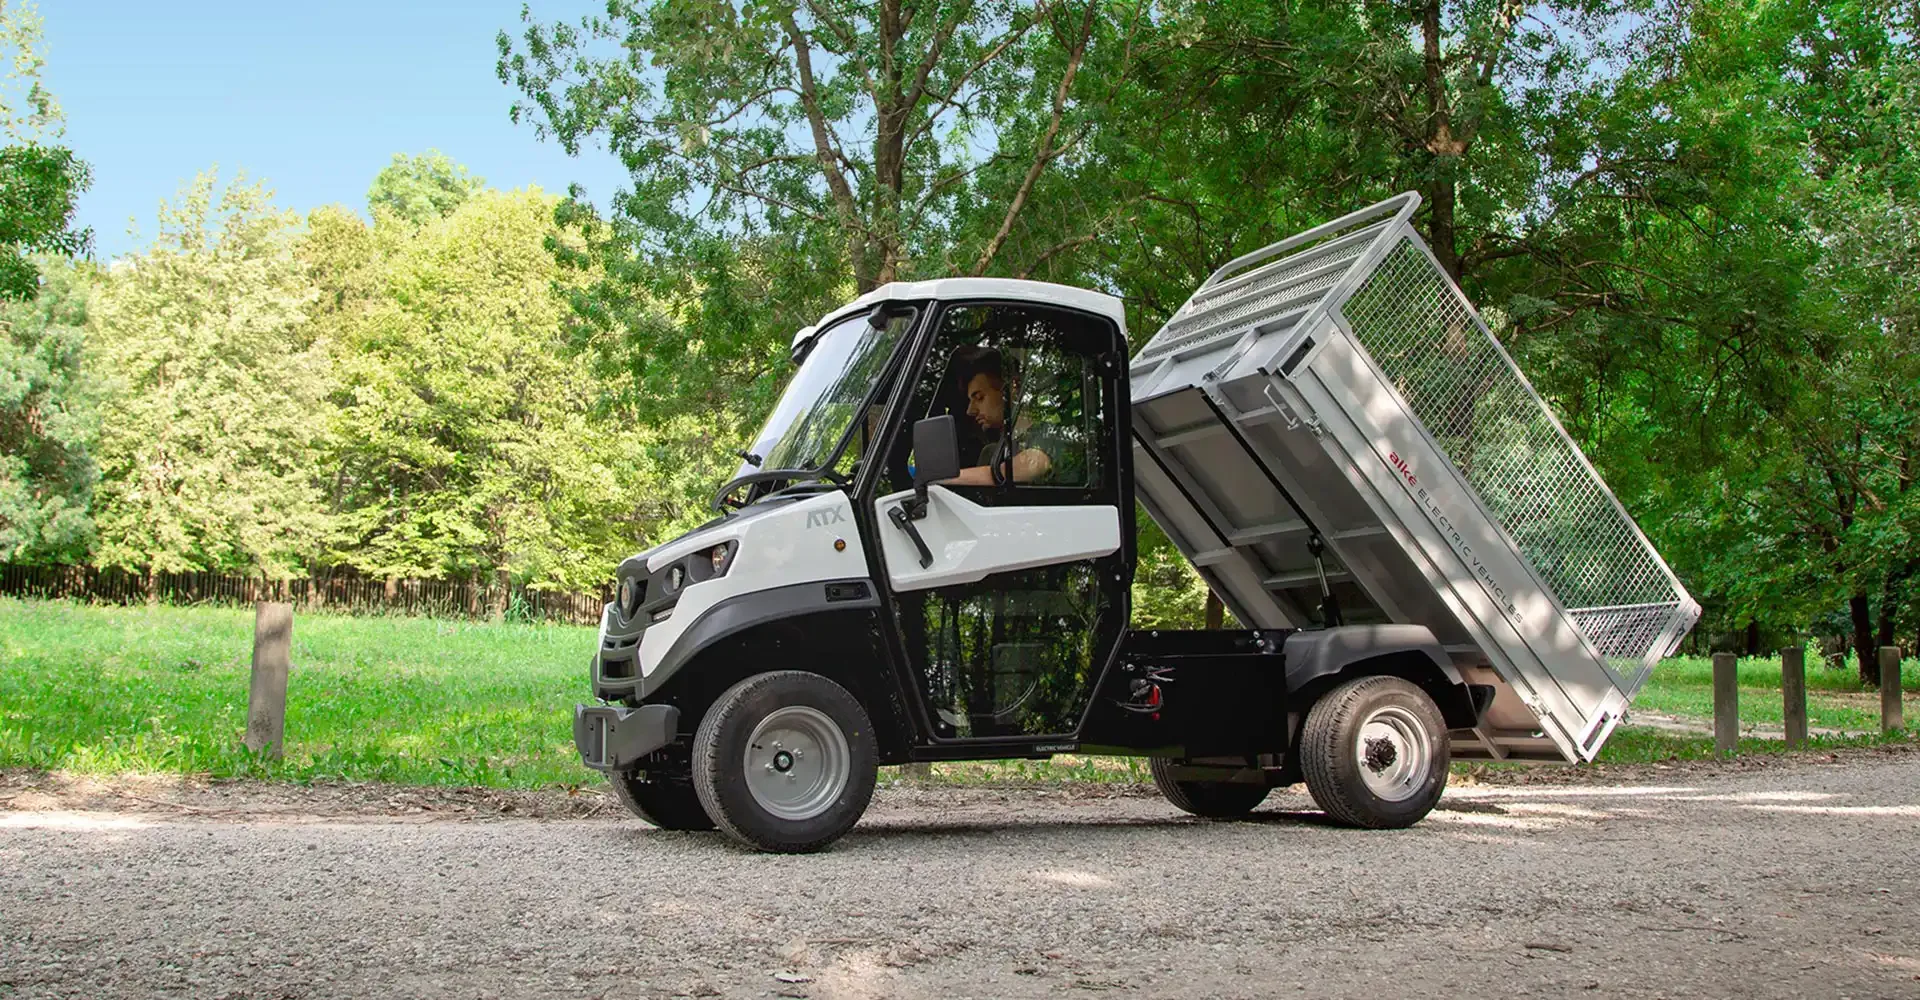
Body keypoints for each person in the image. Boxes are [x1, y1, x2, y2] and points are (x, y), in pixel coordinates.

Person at [943, 349, 1054, 485]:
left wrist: (941, 480)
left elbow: (1036, 463)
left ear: (1012, 388)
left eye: (979, 398)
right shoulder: (994, 450)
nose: (970, 410)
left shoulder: (1047, 435)